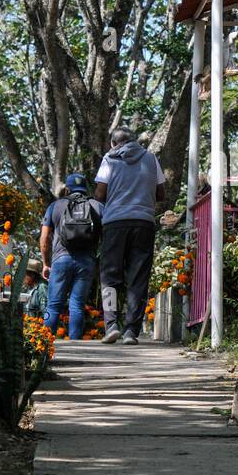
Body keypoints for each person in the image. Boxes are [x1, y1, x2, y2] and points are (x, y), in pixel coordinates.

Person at [94, 126, 164, 344]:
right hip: (143, 223)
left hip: (115, 223)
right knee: (138, 278)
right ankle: (131, 332)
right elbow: (161, 193)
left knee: (109, 277)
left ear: (114, 143)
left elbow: (99, 193)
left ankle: (111, 325)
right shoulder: (151, 158)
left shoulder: (109, 159)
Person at [39, 173, 103, 341]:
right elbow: (109, 237)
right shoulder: (97, 206)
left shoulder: (55, 206)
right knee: (77, 306)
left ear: (67, 189)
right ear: (85, 188)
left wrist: (46, 263)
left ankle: (43, 345)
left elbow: (45, 238)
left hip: (60, 261)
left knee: (52, 306)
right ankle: (75, 347)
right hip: (86, 262)